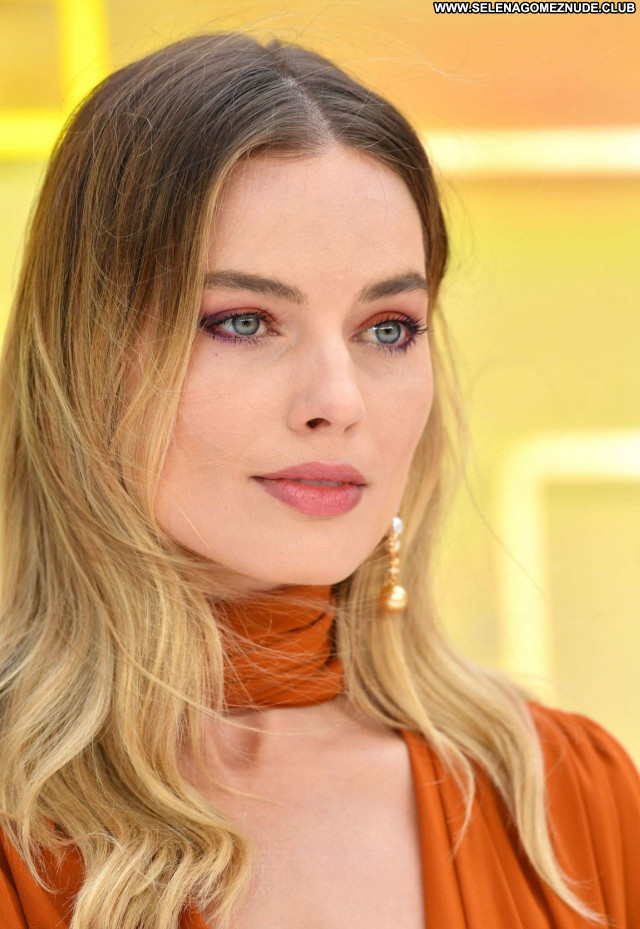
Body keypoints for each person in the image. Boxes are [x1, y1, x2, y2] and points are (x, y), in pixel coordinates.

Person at [0, 30, 638, 929]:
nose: (338, 402)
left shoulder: (571, 800)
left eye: (387, 328)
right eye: (244, 321)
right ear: (86, 354)